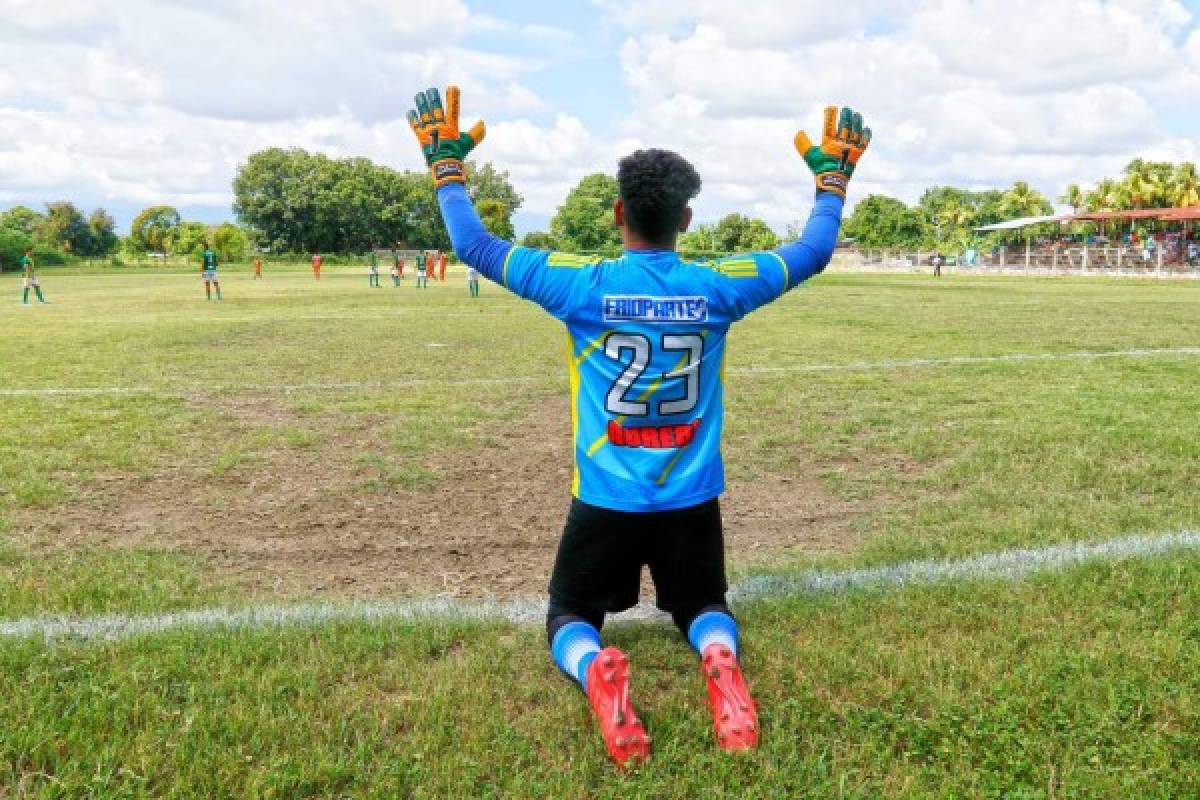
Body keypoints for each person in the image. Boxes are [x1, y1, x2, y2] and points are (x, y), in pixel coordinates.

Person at [408, 86, 869, 767]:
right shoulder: (720, 285)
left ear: (620, 212)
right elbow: (813, 250)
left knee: (569, 618)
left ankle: (596, 672)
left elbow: (472, 244)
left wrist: (447, 170)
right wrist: (831, 185)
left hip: (604, 498)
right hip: (689, 497)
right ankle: (718, 659)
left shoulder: (580, 284)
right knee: (703, 605)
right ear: (686, 216)